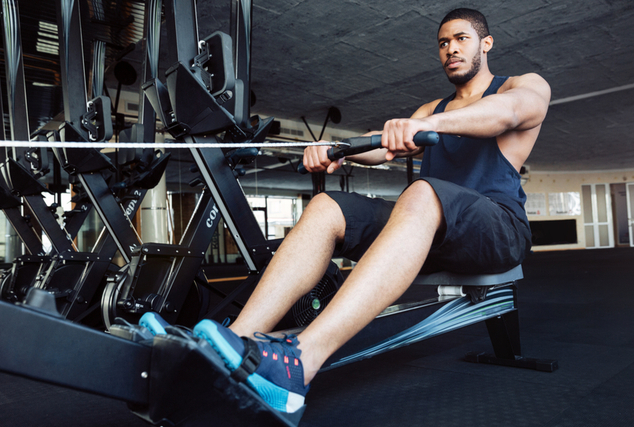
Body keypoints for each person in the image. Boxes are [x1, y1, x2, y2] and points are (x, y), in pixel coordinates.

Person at [194, 7, 551, 414]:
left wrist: (428, 126)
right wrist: (339, 150)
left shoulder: (521, 86)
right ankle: (233, 344)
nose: (451, 48)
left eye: (461, 39)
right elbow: (382, 145)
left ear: (485, 44)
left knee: (419, 192)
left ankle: (302, 364)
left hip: (498, 229)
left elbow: (508, 114)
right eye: (443, 43)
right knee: (328, 206)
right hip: (431, 229)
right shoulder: (431, 109)